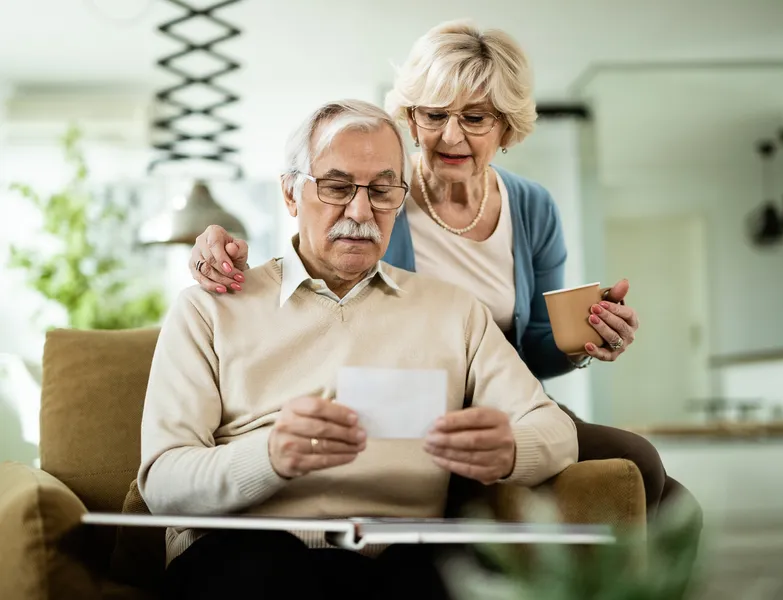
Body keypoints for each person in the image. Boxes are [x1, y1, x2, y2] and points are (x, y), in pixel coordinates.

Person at [187, 19, 702, 536]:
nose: (451, 136)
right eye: (434, 115)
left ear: (506, 126)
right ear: (411, 119)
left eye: (475, 117)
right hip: (411, 403)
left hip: (498, 400)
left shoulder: (532, 207)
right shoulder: (380, 192)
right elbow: (316, 263)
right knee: (641, 467)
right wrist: (216, 248)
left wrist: (583, 341)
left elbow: (537, 348)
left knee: (663, 489)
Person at [139, 99, 579, 600]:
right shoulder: (209, 309)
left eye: (381, 190)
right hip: (248, 551)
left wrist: (510, 451)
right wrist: (270, 455)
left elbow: (557, 433)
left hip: (402, 557)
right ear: (290, 192)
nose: (361, 210)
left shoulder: (454, 311)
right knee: (263, 571)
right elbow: (163, 481)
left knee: (445, 575)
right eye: (337, 186)